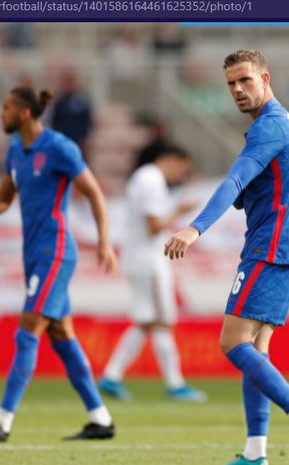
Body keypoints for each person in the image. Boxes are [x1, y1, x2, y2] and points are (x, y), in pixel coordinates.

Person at [164, 50, 289, 465]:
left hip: (270, 247)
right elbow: (257, 187)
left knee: (232, 342)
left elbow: (235, 179)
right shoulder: (280, 125)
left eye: (245, 80)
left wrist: (194, 227)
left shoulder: (270, 126)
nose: (238, 90)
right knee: (256, 348)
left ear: (265, 78)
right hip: (286, 246)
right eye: (230, 84)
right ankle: (255, 453)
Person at [0, 87, 117, 443]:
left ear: (24, 113)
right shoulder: (16, 151)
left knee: (27, 330)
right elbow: (2, 200)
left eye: (6, 107)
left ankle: (2, 419)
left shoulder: (58, 147)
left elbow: (94, 192)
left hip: (54, 252)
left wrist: (103, 241)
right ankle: (100, 417)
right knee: (62, 336)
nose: (0, 113)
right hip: (33, 254)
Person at [98, 147, 206, 402]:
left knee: (146, 320)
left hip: (140, 258)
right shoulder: (151, 180)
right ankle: (175, 384)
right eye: (183, 168)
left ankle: (112, 376)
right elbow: (154, 226)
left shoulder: (145, 178)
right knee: (163, 319)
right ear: (171, 159)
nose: (182, 175)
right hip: (149, 261)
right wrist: (180, 211)